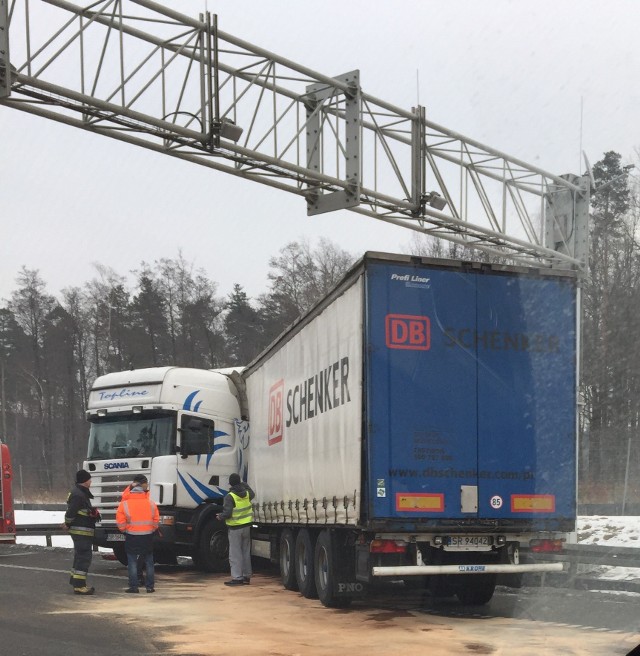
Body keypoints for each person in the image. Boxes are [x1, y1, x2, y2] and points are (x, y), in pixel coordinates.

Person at [115, 474, 159, 593]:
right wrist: (152, 529)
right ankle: (150, 587)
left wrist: (125, 530)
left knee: (132, 561)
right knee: (149, 561)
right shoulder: (150, 502)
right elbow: (156, 519)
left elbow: (120, 520)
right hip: (148, 536)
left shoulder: (124, 503)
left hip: (132, 535)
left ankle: (134, 587)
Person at [65, 469, 100, 595]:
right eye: (89, 479)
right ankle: (80, 586)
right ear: (85, 481)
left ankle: (76, 583)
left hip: (81, 531)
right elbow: (71, 513)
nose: (91, 481)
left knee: (80, 557)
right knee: (84, 557)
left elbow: (79, 511)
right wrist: (67, 523)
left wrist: (91, 513)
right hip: (81, 532)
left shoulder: (79, 493)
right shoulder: (78, 494)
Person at [217, 473, 255, 586]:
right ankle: (246, 576)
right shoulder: (247, 493)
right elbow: (252, 493)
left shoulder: (230, 496)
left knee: (235, 554)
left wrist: (220, 516)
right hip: (246, 527)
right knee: (245, 552)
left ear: (230, 483)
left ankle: (237, 578)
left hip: (235, 528)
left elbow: (228, 513)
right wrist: (242, 484)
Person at [120, 474, 151, 587]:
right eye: (146, 483)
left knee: (137, 556)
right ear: (140, 483)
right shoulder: (132, 495)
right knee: (138, 556)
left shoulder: (129, 493)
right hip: (137, 530)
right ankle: (137, 578)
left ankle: (136, 578)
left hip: (134, 529)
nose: (147, 485)